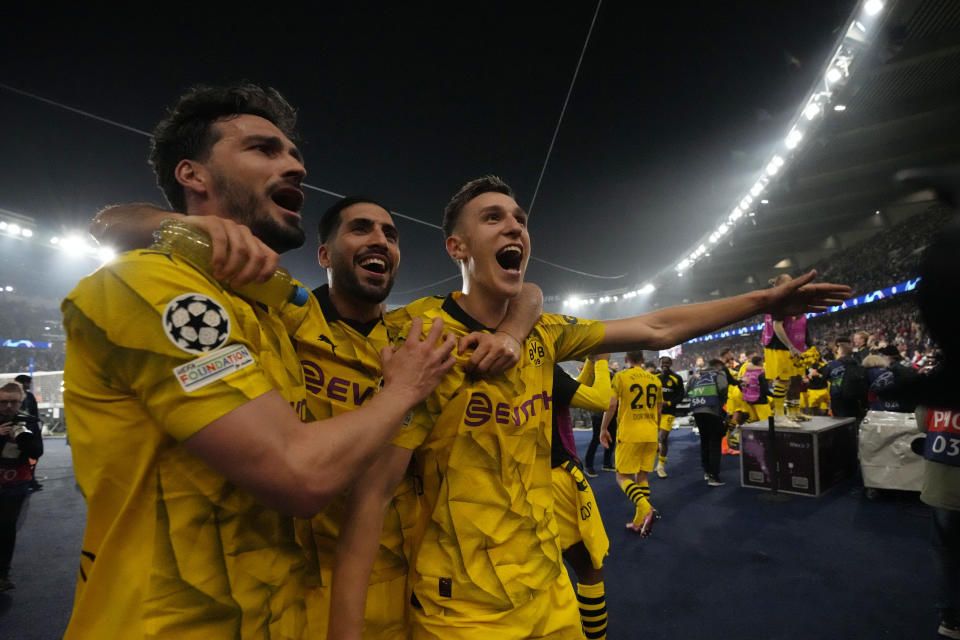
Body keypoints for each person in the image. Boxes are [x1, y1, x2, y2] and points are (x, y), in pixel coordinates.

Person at [327, 175, 850, 639]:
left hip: (549, 589)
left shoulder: (546, 333)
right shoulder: (417, 335)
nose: (514, 228)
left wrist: (764, 300)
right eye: (493, 218)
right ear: (456, 246)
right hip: (462, 607)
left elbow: (656, 326)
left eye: (520, 220)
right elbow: (371, 497)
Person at [60, 83, 460, 640]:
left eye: (294, 154)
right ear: (193, 175)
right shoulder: (150, 284)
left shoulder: (271, 313)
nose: (294, 165)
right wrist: (402, 390)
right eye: (263, 149)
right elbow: (298, 474)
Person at [92, 196, 540, 637]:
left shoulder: (414, 337)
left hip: (404, 585)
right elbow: (112, 226)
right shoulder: (287, 313)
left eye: (390, 233)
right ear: (324, 254)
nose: (380, 240)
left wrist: (512, 334)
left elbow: (529, 295)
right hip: (294, 582)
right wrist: (194, 227)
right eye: (361, 228)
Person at [551, 358, 612, 639]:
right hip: (555, 475)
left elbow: (571, 390)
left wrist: (589, 363)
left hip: (517, 476)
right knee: (588, 566)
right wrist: (601, 362)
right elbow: (600, 399)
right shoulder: (539, 365)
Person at [601, 351, 662, 535]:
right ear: (643, 361)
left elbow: (611, 405)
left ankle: (646, 508)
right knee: (642, 477)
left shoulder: (620, 377)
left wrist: (603, 428)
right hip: (650, 433)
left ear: (626, 360)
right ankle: (638, 522)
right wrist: (656, 431)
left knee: (622, 477)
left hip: (630, 433)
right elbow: (659, 408)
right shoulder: (655, 380)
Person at [915, 403, 960, 638]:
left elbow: (923, 423)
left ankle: (950, 618)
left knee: (945, 552)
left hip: (943, 484)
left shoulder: (938, 389)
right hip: (944, 485)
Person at [0, 381, 42, 593]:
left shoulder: (29, 421)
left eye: (13, 402)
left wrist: (22, 437)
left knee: (7, 527)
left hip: (16, 483)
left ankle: (3, 573)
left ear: (21, 402)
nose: (8, 406)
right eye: (3, 402)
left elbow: (37, 452)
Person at [761, 274, 809, 417]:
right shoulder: (777, 301)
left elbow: (803, 325)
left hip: (795, 346)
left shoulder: (794, 301)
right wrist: (791, 347)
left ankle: (794, 412)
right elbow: (777, 326)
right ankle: (779, 415)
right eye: (788, 282)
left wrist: (808, 346)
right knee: (783, 380)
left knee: (796, 380)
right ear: (779, 285)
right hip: (779, 346)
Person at [687, 359, 730, 486]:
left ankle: (706, 471)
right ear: (717, 366)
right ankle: (714, 477)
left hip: (698, 410)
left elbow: (688, 391)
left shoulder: (698, 376)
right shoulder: (718, 374)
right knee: (715, 442)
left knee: (704, 441)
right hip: (712, 409)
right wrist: (721, 402)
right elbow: (723, 388)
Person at [824, 337, 868, 421]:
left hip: (837, 398)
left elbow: (824, 378)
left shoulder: (833, 365)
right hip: (855, 399)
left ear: (841, 352)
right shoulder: (858, 365)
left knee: (839, 423)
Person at [655, 355, 685, 478]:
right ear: (660, 364)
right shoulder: (655, 377)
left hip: (669, 412)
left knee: (663, 438)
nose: (665, 365)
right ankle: (660, 453)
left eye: (667, 363)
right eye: (663, 363)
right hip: (655, 412)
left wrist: (668, 403)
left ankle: (660, 466)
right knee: (652, 439)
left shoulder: (676, 378)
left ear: (671, 364)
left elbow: (681, 396)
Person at [13, 375, 42, 491]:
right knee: (21, 456)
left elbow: (35, 413)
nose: (29, 385)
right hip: (20, 430)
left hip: (31, 429)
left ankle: (30, 479)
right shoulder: (15, 396)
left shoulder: (29, 396)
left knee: (33, 455)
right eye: (28, 383)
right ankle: (23, 480)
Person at [739, 356, 773, 423]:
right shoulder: (761, 373)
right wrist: (772, 395)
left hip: (749, 400)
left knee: (754, 420)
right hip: (760, 400)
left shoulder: (747, 373)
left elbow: (740, 385)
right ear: (760, 362)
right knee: (766, 421)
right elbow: (764, 389)